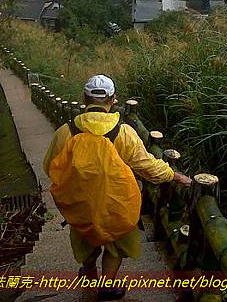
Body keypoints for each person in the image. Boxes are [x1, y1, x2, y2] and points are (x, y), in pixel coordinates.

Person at [43, 74, 192, 301]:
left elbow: (49, 166)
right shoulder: (123, 132)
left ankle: (90, 275)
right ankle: (108, 284)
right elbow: (147, 166)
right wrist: (175, 175)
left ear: (84, 98)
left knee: (85, 238)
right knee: (116, 244)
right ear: (113, 100)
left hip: (81, 203)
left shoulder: (66, 131)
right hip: (117, 202)